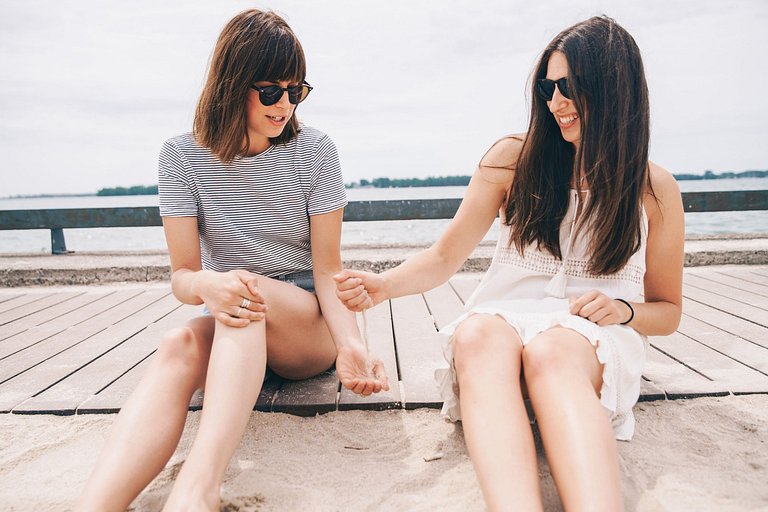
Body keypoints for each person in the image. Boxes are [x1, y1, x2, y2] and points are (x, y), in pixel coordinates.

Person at [335, 16, 683, 511]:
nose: (554, 101)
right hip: (502, 334)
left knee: (552, 350)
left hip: (586, 343)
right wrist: (382, 285)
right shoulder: (512, 160)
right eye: (548, 86)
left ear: (614, 89)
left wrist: (624, 312)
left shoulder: (653, 188)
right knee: (476, 334)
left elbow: (668, 312)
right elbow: (443, 256)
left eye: (568, 86)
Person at [75, 9, 388, 512]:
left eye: (296, 90)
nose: (284, 105)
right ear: (232, 84)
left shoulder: (315, 150)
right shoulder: (181, 156)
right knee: (178, 341)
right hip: (232, 321)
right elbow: (182, 276)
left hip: (303, 326)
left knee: (245, 295)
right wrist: (205, 285)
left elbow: (329, 267)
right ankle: (94, 505)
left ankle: (197, 490)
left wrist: (350, 343)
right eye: (270, 91)